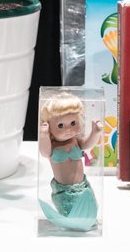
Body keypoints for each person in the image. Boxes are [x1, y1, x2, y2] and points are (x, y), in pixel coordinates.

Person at [38, 92, 103, 231]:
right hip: (64, 192)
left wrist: (95, 132)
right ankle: (72, 225)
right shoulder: (52, 146)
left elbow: (88, 144)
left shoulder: (75, 141)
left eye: (73, 123)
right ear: (49, 126)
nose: (68, 129)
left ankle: (87, 223)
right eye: (61, 125)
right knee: (70, 215)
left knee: (88, 210)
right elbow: (44, 152)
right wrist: (43, 135)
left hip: (83, 187)